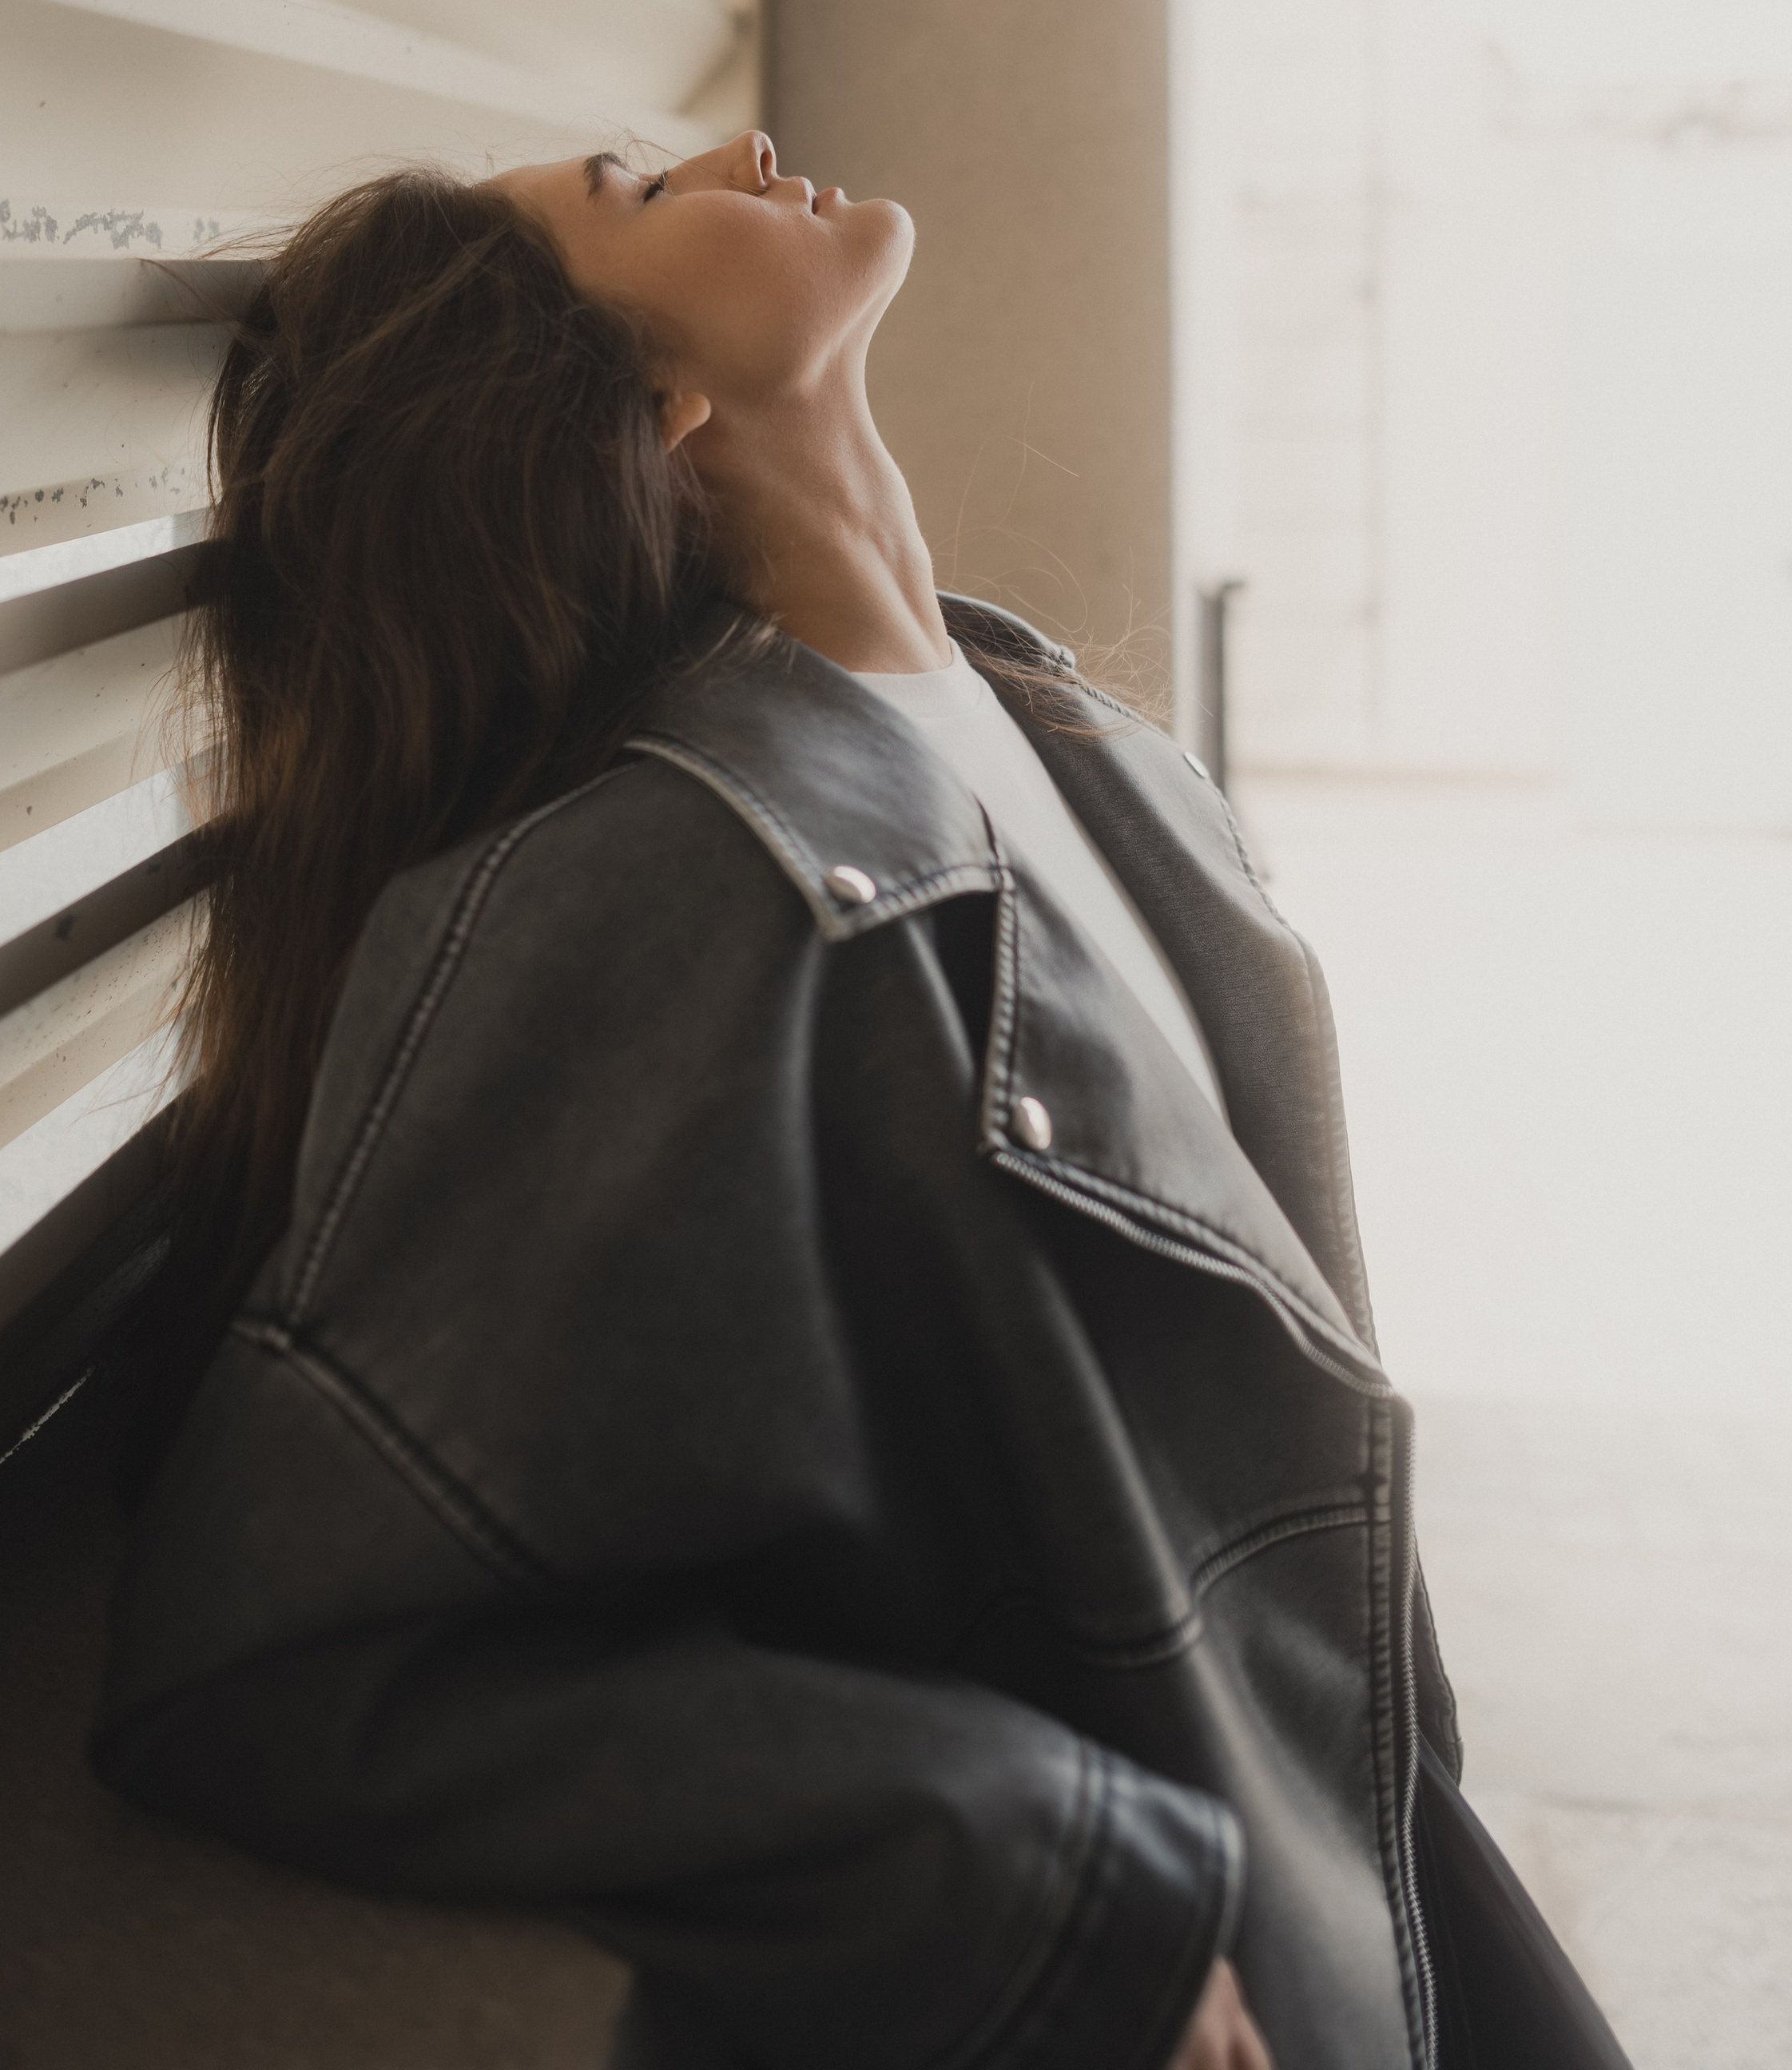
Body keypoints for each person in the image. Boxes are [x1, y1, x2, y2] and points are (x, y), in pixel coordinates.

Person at [94, 133, 1629, 2070]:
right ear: (653, 408)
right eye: (642, 193)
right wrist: (1020, 1849)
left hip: (1381, 1876)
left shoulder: (1059, 733)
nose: (734, 143)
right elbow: (269, 1655)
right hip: (1199, 1945)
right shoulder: (661, 876)